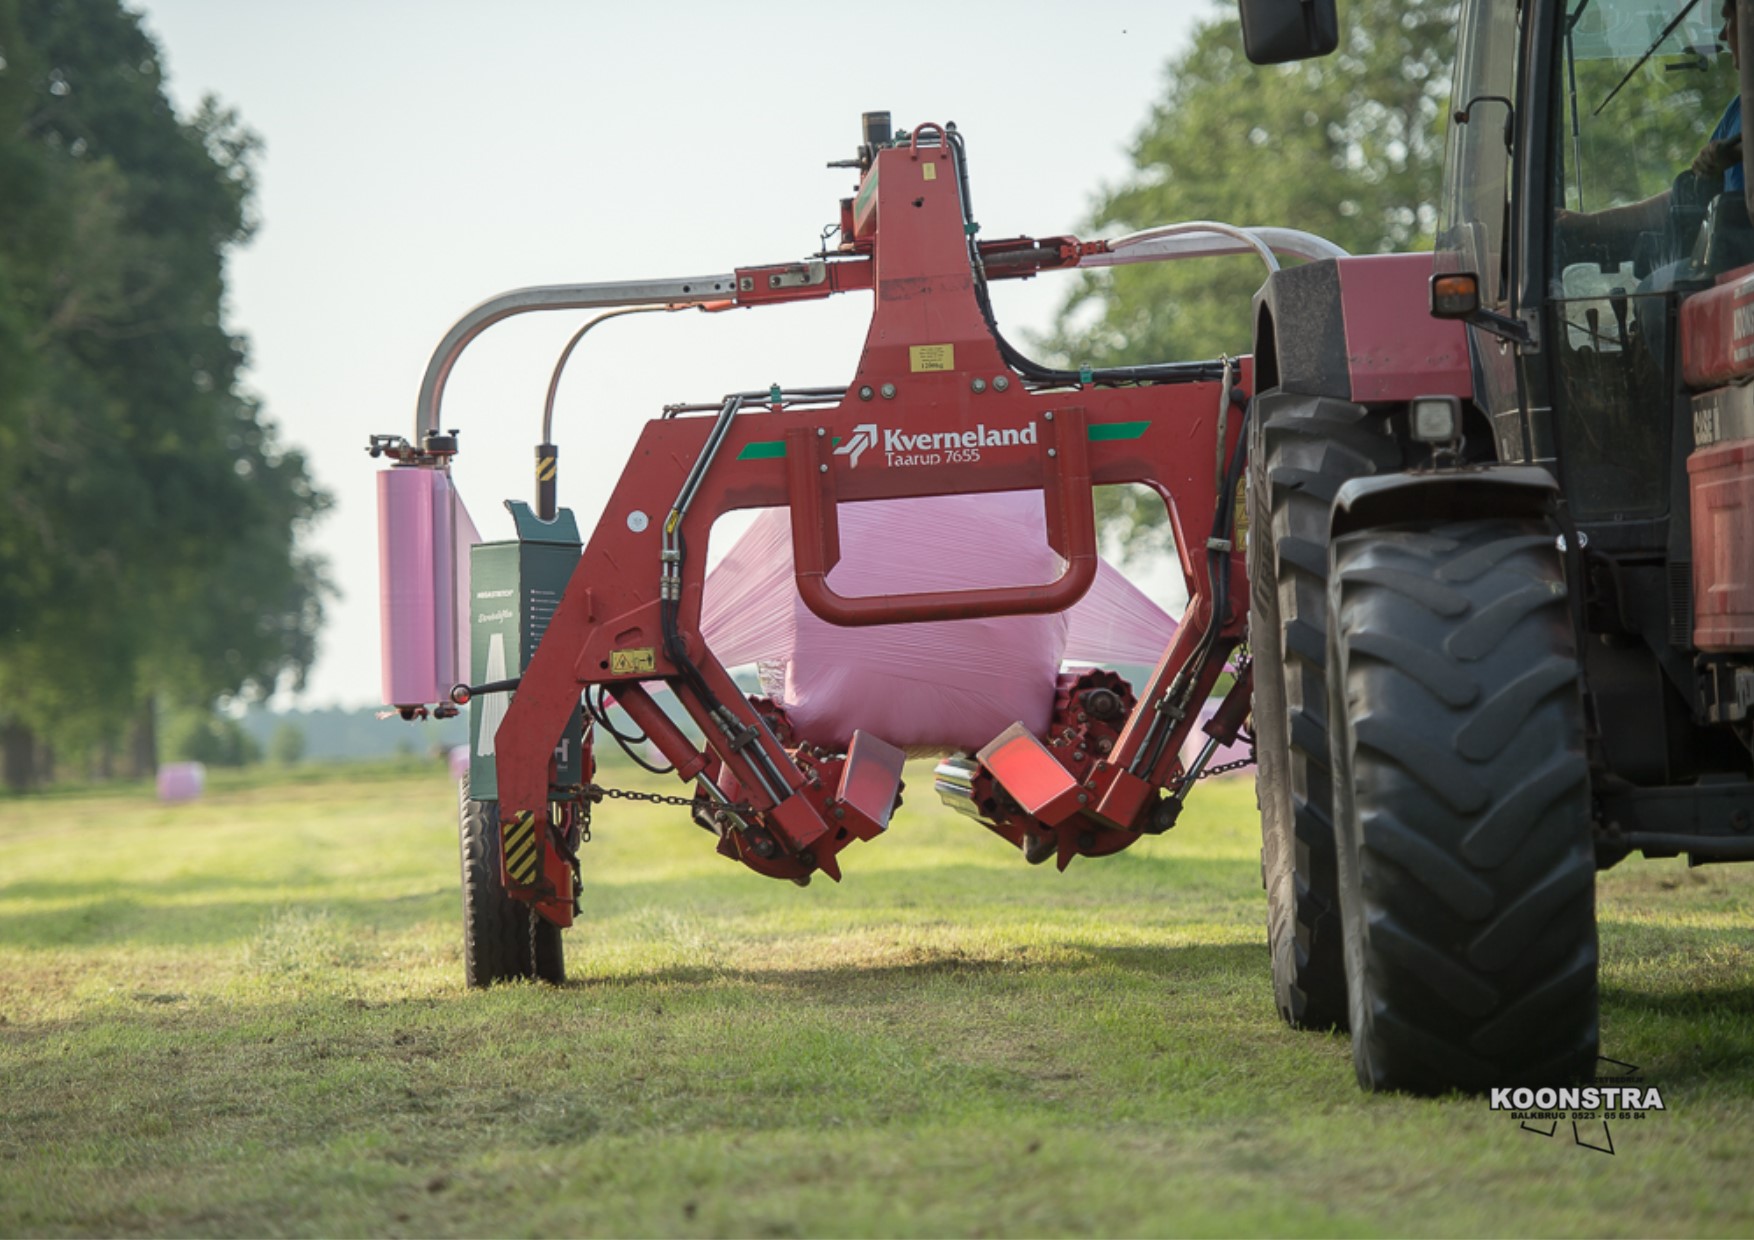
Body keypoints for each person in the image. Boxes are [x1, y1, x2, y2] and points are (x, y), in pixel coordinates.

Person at [1558, 0, 1743, 253]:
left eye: (1729, 19)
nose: (1722, 35)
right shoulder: (1739, 110)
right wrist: (1591, 223)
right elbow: (1684, 200)